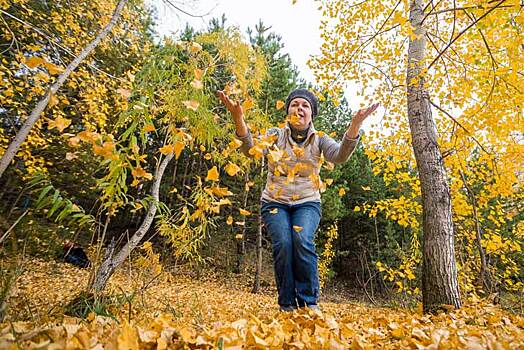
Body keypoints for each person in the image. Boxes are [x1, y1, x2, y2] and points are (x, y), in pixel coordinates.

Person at [218, 88, 378, 311]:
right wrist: (238, 119)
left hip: (307, 201)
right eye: (295, 104)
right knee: (283, 244)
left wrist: (355, 125)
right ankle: (287, 304)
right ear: (288, 111)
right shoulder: (276, 135)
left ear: (311, 114)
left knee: (301, 240)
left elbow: (339, 156)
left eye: (305, 105)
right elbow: (251, 150)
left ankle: (309, 302)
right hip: (275, 201)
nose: (299, 108)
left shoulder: (319, 139)